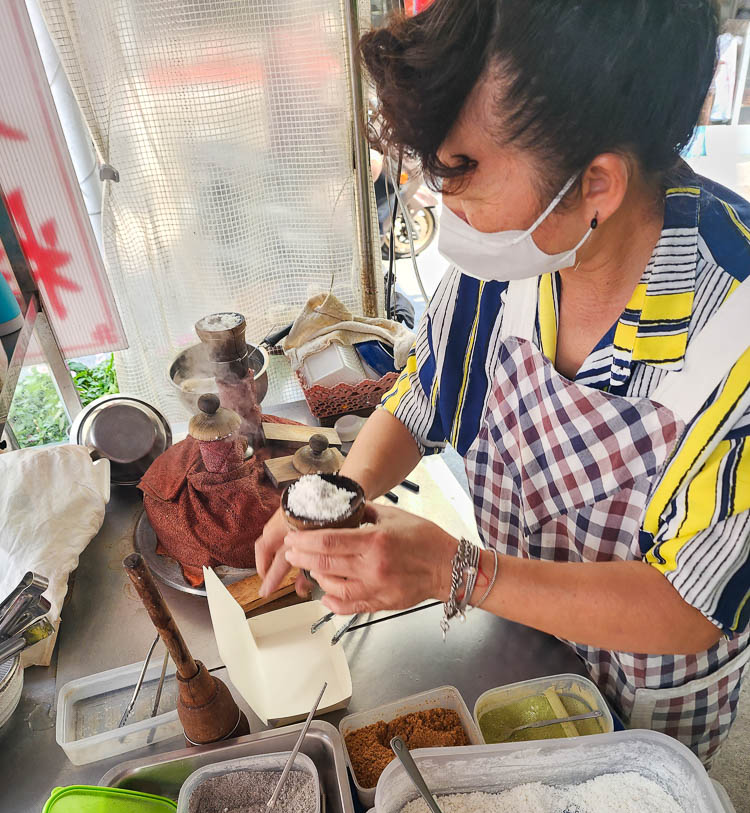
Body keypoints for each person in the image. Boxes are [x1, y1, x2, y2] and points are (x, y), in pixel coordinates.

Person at [257, 0, 750, 764]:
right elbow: (422, 397)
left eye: (467, 177)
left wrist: (450, 569)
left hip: (650, 692)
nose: (444, 206)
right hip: (521, 632)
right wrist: (336, 505)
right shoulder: (513, 258)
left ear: (597, 184)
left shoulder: (735, 329)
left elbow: (687, 604)